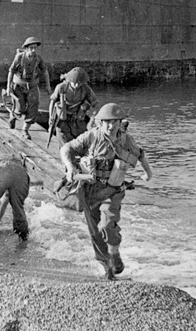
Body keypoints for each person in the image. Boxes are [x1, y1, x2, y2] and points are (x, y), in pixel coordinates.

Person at [60, 103, 153, 280]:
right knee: (95, 231)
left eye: (115, 122)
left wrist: (148, 173)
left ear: (120, 122)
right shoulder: (91, 136)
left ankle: (115, 252)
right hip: (90, 190)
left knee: (107, 224)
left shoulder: (126, 140)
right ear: (100, 122)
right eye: (107, 122)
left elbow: (140, 155)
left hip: (113, 190)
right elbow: (66, 148)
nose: (111, 126)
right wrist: (70, 166)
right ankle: (107, 269)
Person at [6, 37, 51, 140]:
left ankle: (25, 130)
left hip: (32, 86)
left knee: (33, 108)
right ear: (26, 48)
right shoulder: (19, 57)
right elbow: (11, 71)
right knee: (20, 108)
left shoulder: (38, 58)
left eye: (35, 48)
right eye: (31, 48)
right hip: (18, 85)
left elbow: (45, 71)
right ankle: (13, 115)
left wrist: (48, 86)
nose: (33, 50)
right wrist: (8, 87)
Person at [49, 67, 99, 146]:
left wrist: (92, 119)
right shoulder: (61, 87)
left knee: (81, 144)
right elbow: (53, 101)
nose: (76, 85)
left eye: (79, 83)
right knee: (65, 145)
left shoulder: (86, 89)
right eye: (74, 82)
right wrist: (51, 118)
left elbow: (96, 105)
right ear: (69, 80)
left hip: (78, 121)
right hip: (63, 120)